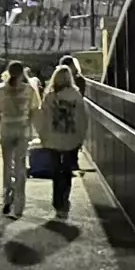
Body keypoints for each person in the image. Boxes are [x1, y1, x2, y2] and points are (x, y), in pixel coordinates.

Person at [0, 62, 41, 217]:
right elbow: (34, 110)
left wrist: (3, 120)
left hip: (7, 128)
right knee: (20, 165)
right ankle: (19, 203)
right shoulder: (29, 89)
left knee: (7, 164)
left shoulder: (1, 89)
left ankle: (7, 197)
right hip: (22, 129)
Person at [40, 62, 88, 219]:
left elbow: (44, 119)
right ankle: (64, 200)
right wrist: (81, 137)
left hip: (53, 138)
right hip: (71, 138)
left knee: (55, 171)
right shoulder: (75, 95)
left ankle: (56, 201)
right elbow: (82, 118)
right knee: (67, 172)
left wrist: (43, 136)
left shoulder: (49, 96)